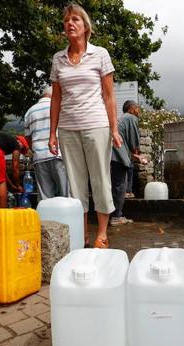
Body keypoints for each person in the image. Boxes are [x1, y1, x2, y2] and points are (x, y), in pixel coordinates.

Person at [48, 2, 123, 249]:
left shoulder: (100, 54)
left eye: (75, 20)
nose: (70, 23)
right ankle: (82, 234)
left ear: (85, 26)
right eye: (67, 20)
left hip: (96, 125)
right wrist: (52, 133)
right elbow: (56, 98)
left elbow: (109, 95)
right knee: (76, 184)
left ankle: (102, 233)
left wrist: (114, 129)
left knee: (100, 179)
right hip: (68, 129)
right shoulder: (58, 58)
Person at [24, 86, 69, 200]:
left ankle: (46, 217)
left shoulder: (30, 111)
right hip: (58, 154)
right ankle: (67, 217)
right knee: (67, 193)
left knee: (45, 196)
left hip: (39, 157)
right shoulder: (59, 106)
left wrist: (36, 150)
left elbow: (28, 138)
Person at [110, 100, 147, 226]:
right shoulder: (131, 118)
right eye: (137, 108)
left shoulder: (122, 119)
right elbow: (133, 141)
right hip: (117, 156)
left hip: (111, 155)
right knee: (120, 186)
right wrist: (137, 153)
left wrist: (136, 156)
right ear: (131, 109)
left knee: (115, 185)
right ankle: (116, 216)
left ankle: (115, 214)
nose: (139, 111)